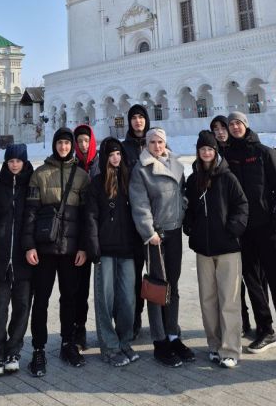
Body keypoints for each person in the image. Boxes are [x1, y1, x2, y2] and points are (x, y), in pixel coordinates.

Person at [224, 111, 276, 374]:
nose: (235, 127)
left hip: (265, 229)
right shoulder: (227, 156)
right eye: (231, 124)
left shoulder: (263, 152)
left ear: (245, 125)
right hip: (242, 231)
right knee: (252, 282)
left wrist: (275, 221)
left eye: (238, 123)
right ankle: (266, 330)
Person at [22, 127, 89, 377]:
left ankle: (67, 343)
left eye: (67, 143)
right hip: (45, 249)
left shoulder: (82, 176)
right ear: (54, 145)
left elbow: (86, 217)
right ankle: (38, 348)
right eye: (60, 143)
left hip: (71, 250)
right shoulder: (40, 174)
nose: (63, 147)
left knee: (69, 297)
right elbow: (30, 213)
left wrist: (83, 247)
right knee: (41, 299)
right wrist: (29, 245)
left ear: (72, 146)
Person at [129, 127, 194, 367]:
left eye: (160, 142)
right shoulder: (141, 169)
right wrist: (149, 232)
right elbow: (139, 204)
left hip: (174, 231)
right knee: (157, 287)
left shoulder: (176, 164)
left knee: (172, 285)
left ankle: (173, 334)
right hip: (156, 236)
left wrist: (182, 209)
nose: (157, 146)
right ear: (147, 144)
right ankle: (159, 340)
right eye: (153, 142)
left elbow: (183, 192)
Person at [184, 131, 248, 369]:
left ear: (216, 151)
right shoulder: (194, 180)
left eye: (210, 149)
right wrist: (190, 226)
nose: (206, 153)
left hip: (228, 248)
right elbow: (189, 208)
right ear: (198, 152)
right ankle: (214, 344)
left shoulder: (228, 178)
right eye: (202, 149)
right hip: (203, 249)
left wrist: (233, 229)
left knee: (228, 299)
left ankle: (230, 349)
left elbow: (242, 205)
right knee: (208, 299)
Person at [86, 137, 140, 366]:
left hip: (127, 248)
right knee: (105, 300)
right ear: (104, 158)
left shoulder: (130, 180)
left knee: (128, 299)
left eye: (118, 154)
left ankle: (124, 340)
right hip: (105, 249)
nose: (116, 158)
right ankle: (109, 346)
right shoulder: (97, 183)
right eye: (111, 155)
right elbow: (91, 217)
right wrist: (93, 245)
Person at [210, 113, 265, 336]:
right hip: (226, 226)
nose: (220, 132)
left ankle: (264, 323)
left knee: (255, 276)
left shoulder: (241, 151)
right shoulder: (212, 155)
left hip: (249, 224)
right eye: (216, 129)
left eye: (223, 127)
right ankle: (241, 321)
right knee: (232, 280)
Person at [0, 143, 34, 376]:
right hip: (0, 255)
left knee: (22, 307)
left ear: (24, 162)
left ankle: (13, 351)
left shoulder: (32, 186)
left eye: (18, 161)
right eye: (11, 161)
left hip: (24, 256)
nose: (15, 165)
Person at [122, 103, 150, 338]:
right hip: (131, 221)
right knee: (133, 273)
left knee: (158, 273)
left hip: (156, 220)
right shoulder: (124, 149)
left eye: (141, 117)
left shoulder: (156, 144)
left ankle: (162, 321)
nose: (138, 121)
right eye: (134, 117)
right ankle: (134, 317)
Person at [72, 124, 99, 350]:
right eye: (79, 141)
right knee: (78, 288)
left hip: (100, 235)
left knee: (105, 287)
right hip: (78, 236)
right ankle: (78, 330)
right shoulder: (72, 166)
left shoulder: (101, 162)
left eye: (86, 140)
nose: (82, 145)